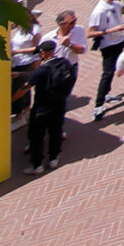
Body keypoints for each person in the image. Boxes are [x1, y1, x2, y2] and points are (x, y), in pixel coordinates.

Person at [23, 31, 77, 174]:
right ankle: (53, 158)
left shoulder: (42, 70)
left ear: (44, 53)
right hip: (59, 104)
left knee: (37, 136)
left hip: (42, 107)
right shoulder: (64, 63)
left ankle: (37, 165)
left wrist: (12, 99)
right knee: (55, 131)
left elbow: (26, 87)